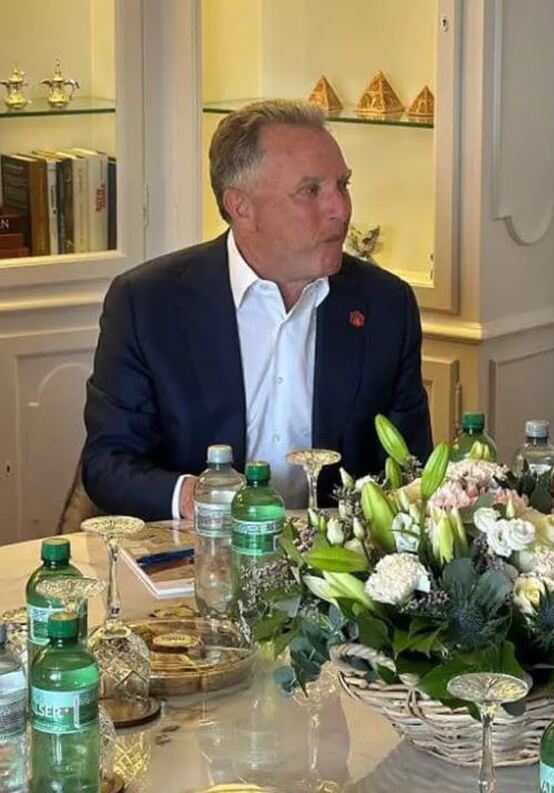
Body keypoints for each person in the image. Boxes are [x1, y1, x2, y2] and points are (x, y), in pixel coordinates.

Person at [83, 99, 432, 520]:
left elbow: (411, 469)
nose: (340, 209)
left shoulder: (386, 305)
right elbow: (108, 464)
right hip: (203, 545)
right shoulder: (147, 303)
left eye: (343, 185)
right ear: (241, 207)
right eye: (311, 190)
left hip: (338, 554)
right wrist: (195, 497)